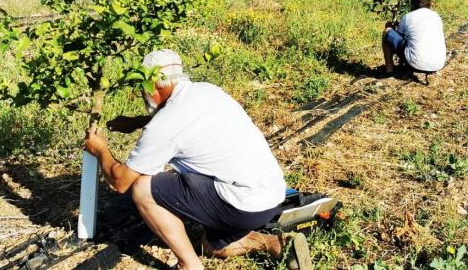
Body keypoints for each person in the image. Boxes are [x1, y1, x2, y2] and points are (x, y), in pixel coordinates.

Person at [83, 49, 309, 270]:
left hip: (241, 204)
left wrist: (101, 150)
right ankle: (276, 244)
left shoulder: (164, 127)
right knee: (212, 247)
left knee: (142, 188)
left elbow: (120, 182)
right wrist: (139, 121)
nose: (143, 93)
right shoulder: (206, 91)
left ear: (154, 85)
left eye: (144, 87)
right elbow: (181, 119)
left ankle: (189, 265)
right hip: (271, 196)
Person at [381, 0, 446, 80]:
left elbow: (400, 37)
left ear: (413, 4)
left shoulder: (408, 17)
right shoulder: (436, 16)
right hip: (438, 64)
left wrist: (391, 27)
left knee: (387, 32)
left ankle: (389, 71)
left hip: (415, 63)